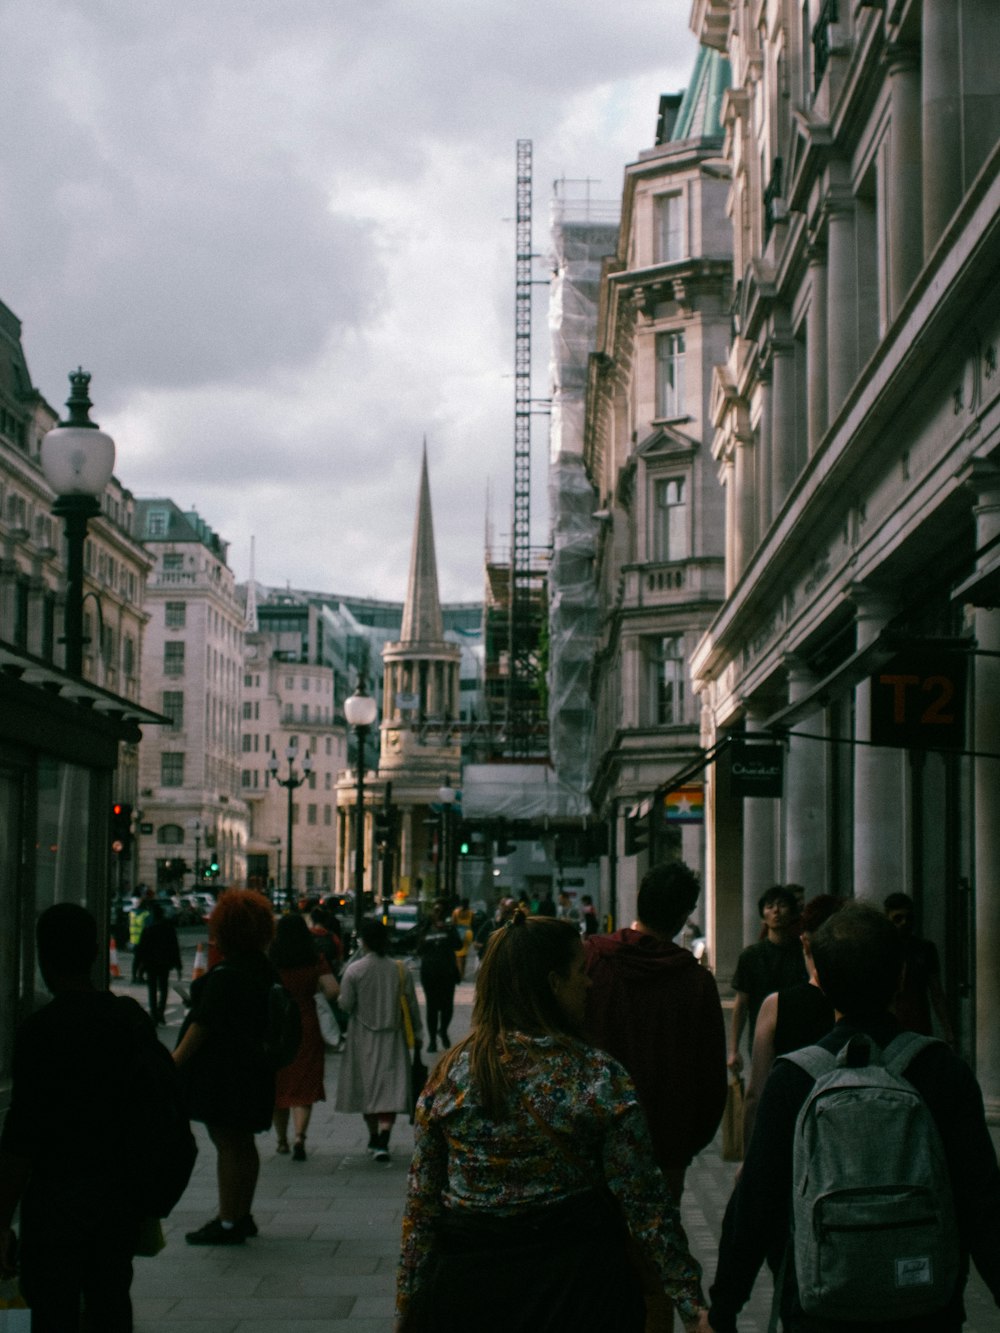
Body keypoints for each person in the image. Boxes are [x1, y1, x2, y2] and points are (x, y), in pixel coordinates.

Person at [396, 910, 712, 1333]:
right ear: (552, 983)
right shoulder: (597, 1077)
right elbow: (646, 1206)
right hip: (574, 1290)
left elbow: (422, 1207)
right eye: (579, 972)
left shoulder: (452, 1075)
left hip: (469, 1290)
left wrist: (407, 1303)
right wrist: (690, 1303)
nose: (590, 983)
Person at [706, 901, 1000, 1333]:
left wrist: (723, 1310)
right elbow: (983, 1202)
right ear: (900, 977)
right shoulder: (941, 1070)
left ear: (819, 982)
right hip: (925, 1307)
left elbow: (756, 1203)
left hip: (821, 1308)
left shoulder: (794, 1078)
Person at [0, 904, 167, 1331]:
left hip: (55, 1201)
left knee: (50, 1308)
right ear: (95, 953)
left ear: (41, 956)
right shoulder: (128, 1021)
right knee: (110, 1300)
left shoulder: (40, 1031)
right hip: (117, 1199)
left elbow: (23, 1134)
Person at [585, 861, 727, 1332]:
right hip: (663, 1143)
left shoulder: (593, 962)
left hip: (590, 1140)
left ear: (639, 901)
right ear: (686, 913)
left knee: (594, 1253)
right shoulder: (695, 982)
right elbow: (711, 1080)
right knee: (656, 1258)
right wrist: (686, 1143)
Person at [174, 888, 276, 1245]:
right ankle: (242, 1214)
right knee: (243, 1143)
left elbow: (202, 1025)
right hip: (254, 1070)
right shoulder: (263, 971)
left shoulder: (227, 975)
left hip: (224, 1074)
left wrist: (172, 1066)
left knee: (227, 1143)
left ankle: (228, 1219)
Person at [742, 895, 843, 1147]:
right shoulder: (866, 1004)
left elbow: (756, 1094)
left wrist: (750, 1161)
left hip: (789, 1139)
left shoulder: (777, 1006)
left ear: (805, 943)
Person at [335, 917, 421, 1164]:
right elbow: (412, 1006)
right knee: (389, 1088)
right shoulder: (400, 969)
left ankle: (373, 1135)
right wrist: (418, 1033)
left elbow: (346, 1004)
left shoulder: (354, 970)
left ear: (363, 941)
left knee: (366, 1088)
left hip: (362, 1036)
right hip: (392, 1035)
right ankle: (384, 1135)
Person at [269, 913, 340, 1161]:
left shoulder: (272, 958)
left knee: (279, 1084)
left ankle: (281, 1141)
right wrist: (314, 995)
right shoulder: (314, 958)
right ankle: (300, 1136)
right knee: (304, 1082)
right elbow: (333, 990)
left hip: (277, 1023)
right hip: (306, 1021)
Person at [728, 886, 806, 1073]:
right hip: (761, 1038)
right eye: (770, 906)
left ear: (794, 912)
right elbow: (741, 1005)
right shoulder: (751, 956)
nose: (776, 911)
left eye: (782, 905)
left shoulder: (804, 953)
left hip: (800, 1037)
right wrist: (733, 1050)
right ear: (763, 915)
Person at [883, 892, 955, 1044]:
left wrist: (948, 1030)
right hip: (891, 1022)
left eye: (909, 918)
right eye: (898, 918)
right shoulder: (882, 948)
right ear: (888, 919)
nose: (904, 923)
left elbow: (936, 992)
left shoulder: (924, 949)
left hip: (918, 1020)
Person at [415, 901, 461, 1052]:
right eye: (435, 911)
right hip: (430, 973)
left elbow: (458, 945)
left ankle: (443, 1030)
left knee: (447, 1006)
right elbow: (419, 949)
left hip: (447, 973)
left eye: (440, 911)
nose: (438, 914)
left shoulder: (449, 928)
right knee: (432, 1008)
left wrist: (448, 931)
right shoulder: (425, 929)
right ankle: (433, 1040)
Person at [134, 900, 183, 1025]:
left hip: (151, 964)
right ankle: (161, 1012)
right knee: (163, 988)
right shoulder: (169, 929)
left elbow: (142, 950)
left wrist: (139, 967)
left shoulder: (149, 929)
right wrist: (178, 965)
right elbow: (174, 947)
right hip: (164, 963)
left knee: (152, 989)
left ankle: (154, 1014)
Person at [450, 898, 474, 978]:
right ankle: (463, 973)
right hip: (468, 933)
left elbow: (453, 923)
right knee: (464, 955)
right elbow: (473, 923)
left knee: (459, 955)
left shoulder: (456, 912)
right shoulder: (471, 912)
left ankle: (459, 974)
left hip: (459, 933)